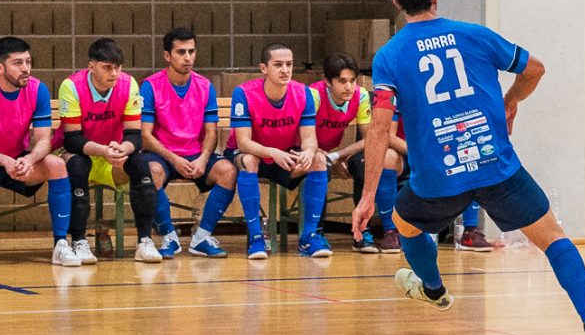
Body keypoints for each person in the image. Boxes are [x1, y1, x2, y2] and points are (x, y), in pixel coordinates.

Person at [351, 0, 585, 335]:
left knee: (404, 222)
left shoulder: (390, 55)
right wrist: (511, 100)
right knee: (553, 238)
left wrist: (368, 196)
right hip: (496, 168)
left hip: (437, 178)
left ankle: (434, 289)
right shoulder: (475, 34)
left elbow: (380, 127)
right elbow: (535, 69)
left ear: (396, 1)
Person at [0, 36, 79, 269]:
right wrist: (5, 161)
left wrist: (29, 159)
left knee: (57, 164)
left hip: (19, 160)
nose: (26, 69)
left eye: (29, 62)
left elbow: (44, 140)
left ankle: (61, 244)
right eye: (18, 63)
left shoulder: (37, 89)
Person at [138, 27, 242, 259]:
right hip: (163, 155)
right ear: (167, 56)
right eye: (181, 52)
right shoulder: (150, 85)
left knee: (228, 171)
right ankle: (168, 236)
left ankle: (201, 237)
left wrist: (204, 158)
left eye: (192, 51)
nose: (188, 57)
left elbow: (211, 133)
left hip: (196, 153)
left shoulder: (205, 86)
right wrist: (174, 159)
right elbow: (145, 135)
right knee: (151, 172)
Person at [56, 38, 158, 263]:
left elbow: (134, 136)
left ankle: (144, 241)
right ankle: (80, 241)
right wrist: (104, 150)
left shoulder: (129, 83)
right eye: (107, 67)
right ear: (91, 67)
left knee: (142, 165)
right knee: (76, 166)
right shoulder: (71, 86)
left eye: (117, 67)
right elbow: (72, 139)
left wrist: (123, 149)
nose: (114, 73)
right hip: (82, 152)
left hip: (112, 156)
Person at [228, 43, 331, 260]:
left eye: (289, 64)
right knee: (249, 160)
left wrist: (308, 152)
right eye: (278, 65)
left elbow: (309, 138)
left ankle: (309, 237)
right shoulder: (244, 93)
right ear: (264, 68)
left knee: (319, 160)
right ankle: (257, 238)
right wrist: (272, 152)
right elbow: (243, 142)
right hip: (251, 152)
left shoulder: (303, 93)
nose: (285, 70)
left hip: (283, 155)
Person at [308, 52, 397, 254]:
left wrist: (338, 155)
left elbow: (369, 140)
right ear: (327, 82)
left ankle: (361, 231)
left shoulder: (362, 95)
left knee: (365, 161)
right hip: (305, 149)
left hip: (332, 152)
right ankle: (317, 233)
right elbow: (301, 135)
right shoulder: (313, 95)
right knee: (320, 165)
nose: (349, 87)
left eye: (352, 81)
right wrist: (326, 157)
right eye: (341, 81)